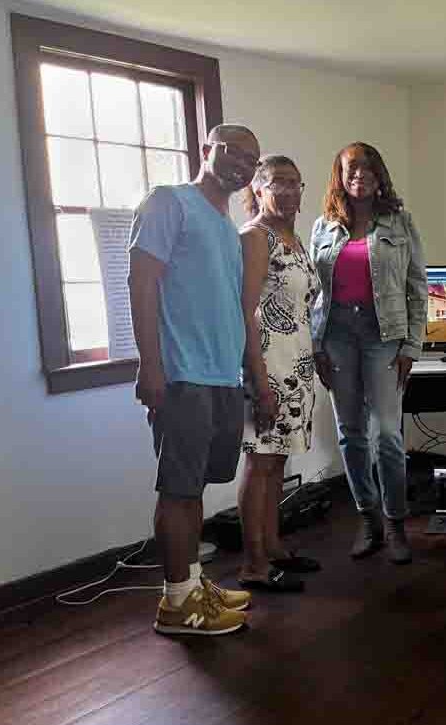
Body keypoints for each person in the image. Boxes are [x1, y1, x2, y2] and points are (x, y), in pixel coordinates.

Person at [128, 124, 261, 636]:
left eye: (251, 159)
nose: (241, 164)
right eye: (232, 151)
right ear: (206, 150)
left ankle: (192, 584)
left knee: (196, 488)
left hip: (221, 376)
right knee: (178, 490)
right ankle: (176, 603)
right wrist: (150, 364)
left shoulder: (226, 227)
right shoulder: (169, 202)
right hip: (182, 375)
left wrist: (244, 373)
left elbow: (229, 306)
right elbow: (141, 284)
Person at [310, 143, 427, 565]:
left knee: (387, 436)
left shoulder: (400, 222)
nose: (359, 174)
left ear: (379, 175)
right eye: (350, 168)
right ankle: (367, 518)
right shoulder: (323, 226)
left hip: (384, 336)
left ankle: (395, 521)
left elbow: (418, 287)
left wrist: (412, 346)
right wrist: (317, 345)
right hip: (338, 335)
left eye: (367, 168)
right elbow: (313, 295)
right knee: (351, 433)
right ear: (339, 176)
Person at [236, 155, 321, 593]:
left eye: (295, 182)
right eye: (277, 183)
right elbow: (246, 311)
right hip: (267, 369)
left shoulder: (294, 238)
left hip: (297, 368)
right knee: (261, 462)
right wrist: (259, 379)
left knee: (277, 462)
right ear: (258, 189)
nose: (288, 191)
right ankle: (253, 565)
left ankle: (273, 547)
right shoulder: (255, 238)